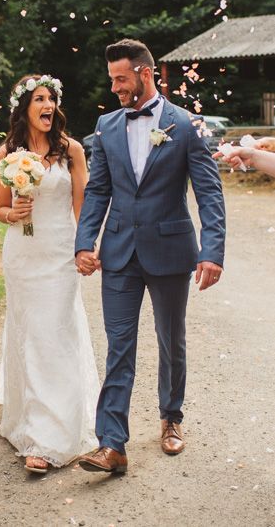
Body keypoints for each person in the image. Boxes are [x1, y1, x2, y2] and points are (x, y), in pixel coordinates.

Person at [75, 39, 226, 474]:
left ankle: (171, 418)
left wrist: (212, 250)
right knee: (119, 347)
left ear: (145, 73)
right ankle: (112, 444)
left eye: (121, 78)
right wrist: (85, 243)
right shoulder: (106, 126)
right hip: (120, 252)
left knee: (170, 341)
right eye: (112, 80)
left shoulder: (186, 124)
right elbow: (99, 189)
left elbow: (210, 193)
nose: (116, 87)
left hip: (171, 250)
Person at [0, 74, 98, 474]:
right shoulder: (6, 153)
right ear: (25, 108)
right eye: (40, 98)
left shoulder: (72, 151)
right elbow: (1, 210)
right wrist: (11, 213)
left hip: (59, 254)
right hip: (23, 255)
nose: (48, 104)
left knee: (57, 333)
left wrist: (86, 246)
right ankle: (36, 433)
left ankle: (62, 425)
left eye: (52, 97)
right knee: (32, 335)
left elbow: (81, 202)